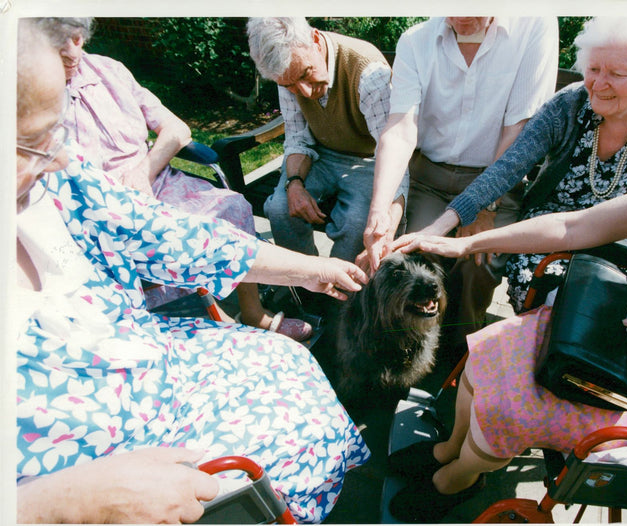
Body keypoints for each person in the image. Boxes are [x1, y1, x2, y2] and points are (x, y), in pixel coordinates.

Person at [16, 20, 370, 523]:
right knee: (259, 487)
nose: (57, 159)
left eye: (57, 131)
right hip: (88, 473)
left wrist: (311, 270)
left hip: (156, 368)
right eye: (31, 142)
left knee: (290, 366)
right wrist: (62, 502)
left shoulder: (62, 174)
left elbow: (171, 237)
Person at [387, 82, 627, 522]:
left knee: (511, 405)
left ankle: (459, 478)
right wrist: (467, 244)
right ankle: (448, 450)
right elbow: (575, 228)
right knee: (492, 344)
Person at [411, 16, 627, 315]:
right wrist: (440, 227)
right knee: (542, 286)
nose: (599, 83)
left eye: (617, 73)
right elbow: (508, 167)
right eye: (593, 69)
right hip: (553, 234)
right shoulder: (569, 104)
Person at [34, 18, 313, 341]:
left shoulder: (108, 71)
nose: (71, 53)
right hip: (99, 205)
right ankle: (209, 323)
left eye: (77, 39)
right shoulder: (35, 96)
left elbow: (176, 128)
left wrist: (143, 171)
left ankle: (252, 312)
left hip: (155, 178)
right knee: (154, 243)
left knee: (233, 205)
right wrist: (120, 191)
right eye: (59, 44)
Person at [363, 17, 559, 353]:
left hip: (496, 177)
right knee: (415, 255)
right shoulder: (415, 40)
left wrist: (487, 205)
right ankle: (413, 345)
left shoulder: (535, 25)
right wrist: (379, 213)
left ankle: (460, 351)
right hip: (431, 177)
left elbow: (520, 127)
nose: (460, 19)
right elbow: (400, 129)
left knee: (478, 265)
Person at [247, 17, 407, 269]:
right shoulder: (286, 72)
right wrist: (294, 184)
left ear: (314, 39)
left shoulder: (367, 71)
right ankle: (304, 280)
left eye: (306, 74)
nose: (305, 93)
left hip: (369, 161)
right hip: (322, 156)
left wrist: (387, 220)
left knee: (357, 223)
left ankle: (342, 292)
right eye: (289, 86)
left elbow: (394, 150)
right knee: (279, 208)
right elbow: (297, 137)